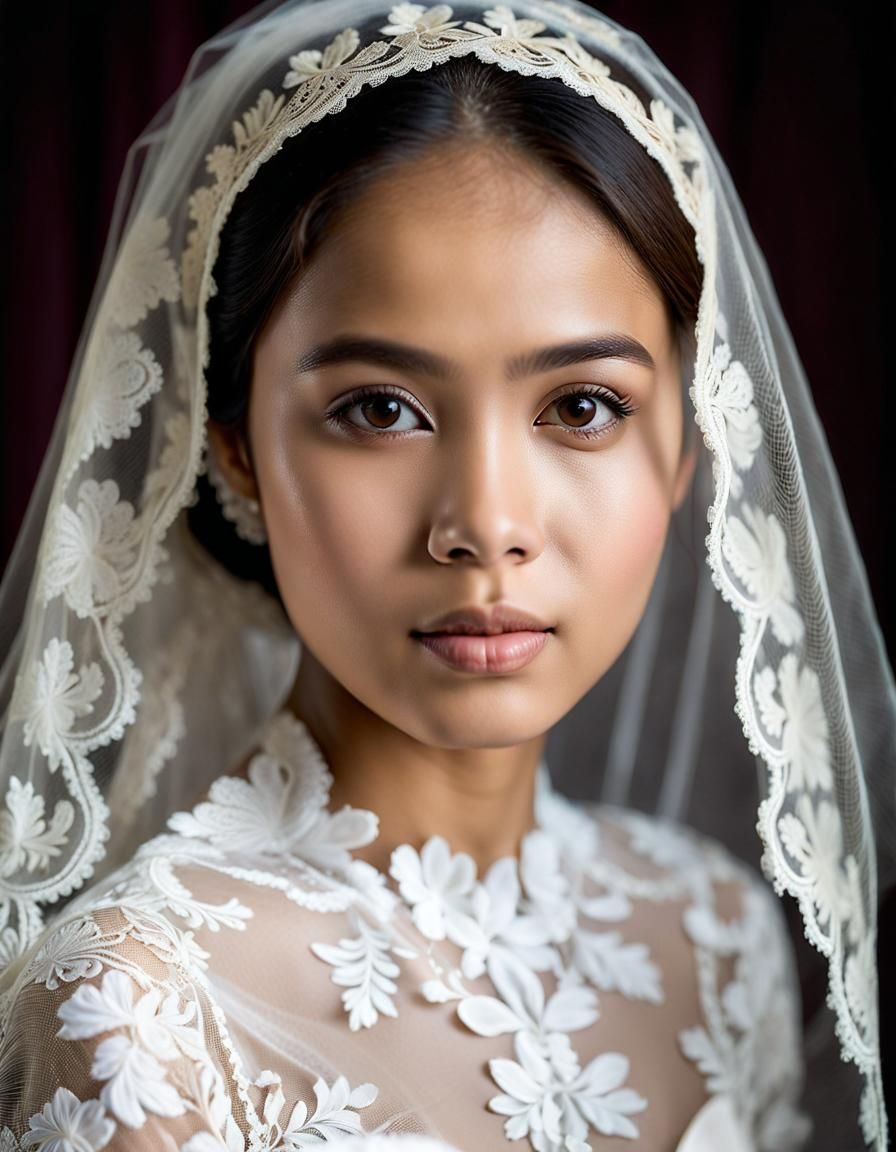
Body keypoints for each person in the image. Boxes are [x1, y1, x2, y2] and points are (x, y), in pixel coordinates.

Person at [0, 1, 892, 1149]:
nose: (485, 524)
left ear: (686, 447)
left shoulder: (716, 933)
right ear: (235, 449)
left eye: (581, 408)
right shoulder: (133, 1011)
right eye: (381, 410)